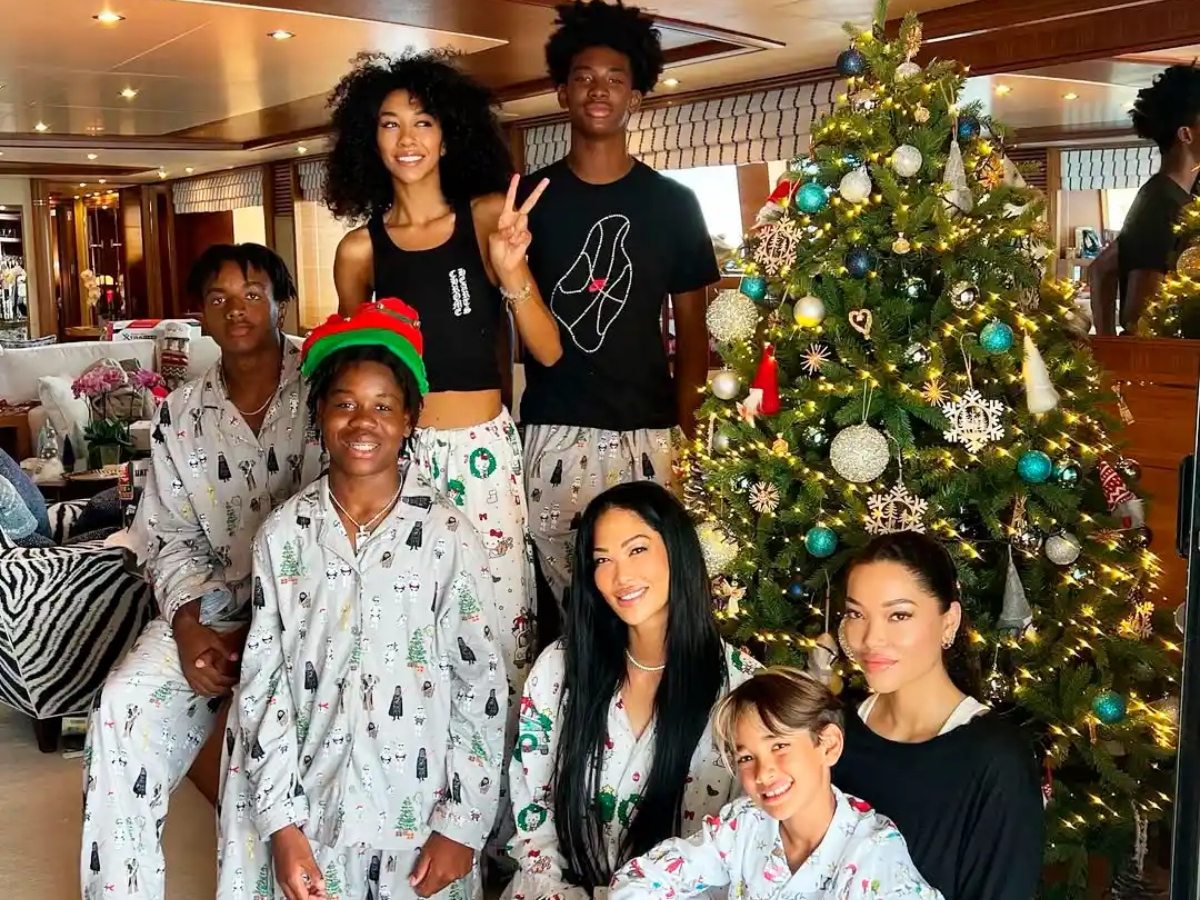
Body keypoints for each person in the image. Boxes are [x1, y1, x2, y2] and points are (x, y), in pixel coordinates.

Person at [215, 298, 507, 900]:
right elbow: (264, 685)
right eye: (345, 404)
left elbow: (479, 682)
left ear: (409, 420)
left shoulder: (448, 536)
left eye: (383, 406)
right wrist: (281, 825)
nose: (363, 421)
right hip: (312, 814)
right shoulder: (284, 536)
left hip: (420, 822)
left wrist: (462, 824)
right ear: (320, 414)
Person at [326, 50, 561, 761]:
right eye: (389, 123)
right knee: (408, 625)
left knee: (501, 624)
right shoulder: (359, 251)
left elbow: (547, 350)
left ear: (449, 134)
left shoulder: (488, 218)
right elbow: (352, 378)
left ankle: (505, 800)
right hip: (401, 462)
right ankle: (417, 779)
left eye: (423, 121)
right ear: (369, 139)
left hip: (485, 451)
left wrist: (512, 270)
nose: (407, 138)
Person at [81, 244, 325, 900]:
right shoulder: (179, 413)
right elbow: (169, 537)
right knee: (121, 708)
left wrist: (261, 635)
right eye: (218, 299)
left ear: (281, 303)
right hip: (209, 607)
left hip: (313, 608)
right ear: (201, 316)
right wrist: (188, 629)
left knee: (262, 730)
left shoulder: (328, 386)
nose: (236, 310)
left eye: (251, 294)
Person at [519, 0, 720, 607]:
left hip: (649, 433)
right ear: (562, 93)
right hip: (554, 428)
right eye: (583, 77)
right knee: (574, 604)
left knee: (647, 601)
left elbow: (693, 333)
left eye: (614, 79)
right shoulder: (529, 200)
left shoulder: (675, 203)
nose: (598, 90)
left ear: (636, 96)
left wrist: (687, 434)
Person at [507, 481, 758, 900]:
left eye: (637, 549)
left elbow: (746, 840)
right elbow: (535, 814)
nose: (621, 577)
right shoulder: (559, 669)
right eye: (602, 560)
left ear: (676, 550)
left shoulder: (743, 689)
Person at [832, 531, 1044, 899]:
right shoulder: (831, 731)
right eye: (856, 614)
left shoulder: (997, 761)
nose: (870, 638)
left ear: (949, 622)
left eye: (898, 615)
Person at [610, 667, 940, 899]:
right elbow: (638, 880)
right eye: (746, 757)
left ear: (828, 745)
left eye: (779, 745)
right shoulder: (744, 823)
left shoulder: (873, 854)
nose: (763, 773)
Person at [1095, 63, 1200, 334]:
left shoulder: (1181, 197)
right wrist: (1109, 345)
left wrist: (1106, 339)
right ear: (1186, 134)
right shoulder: (1161, 204)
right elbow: (1142, 316)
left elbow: (1101, 268)